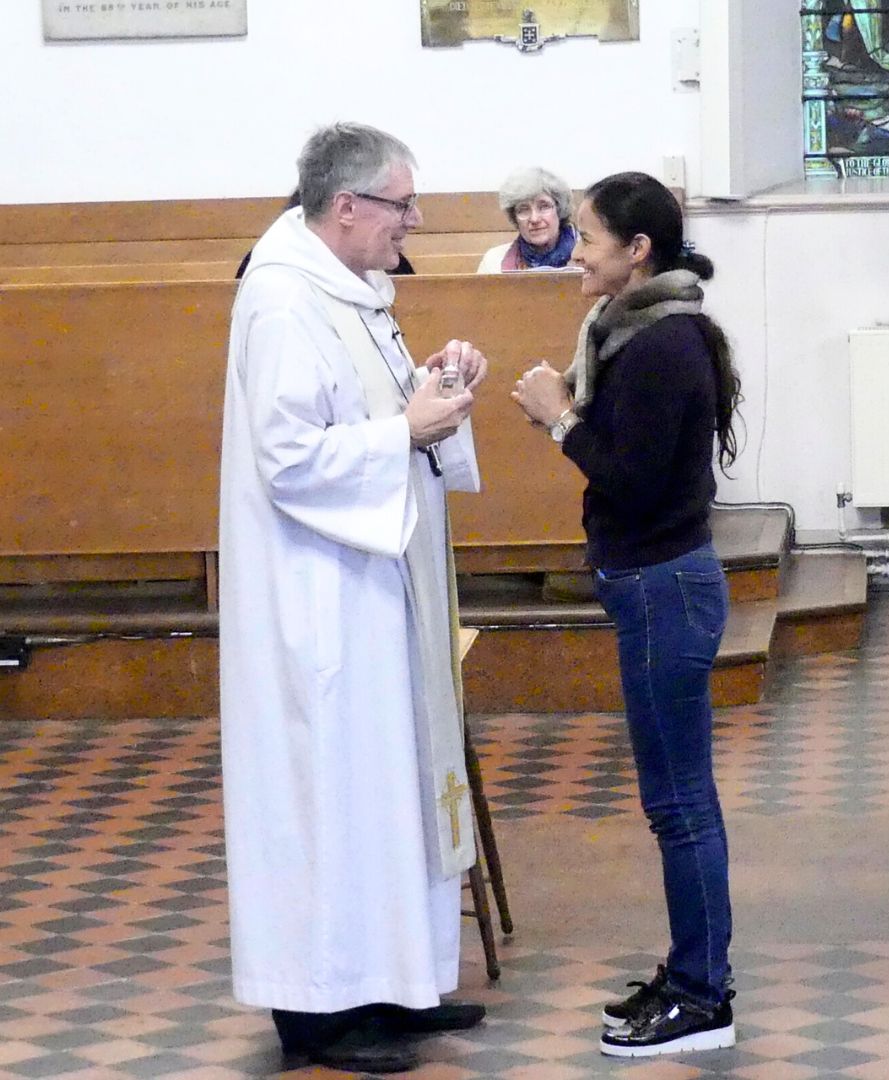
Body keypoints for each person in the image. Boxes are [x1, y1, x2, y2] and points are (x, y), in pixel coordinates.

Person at [219, 122, 490, 1074]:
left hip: (375, 589)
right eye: (402, 205)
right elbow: (288, 456)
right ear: (347, 207)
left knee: (386, 800)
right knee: (331, 806)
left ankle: (394, 985)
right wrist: (402, 431)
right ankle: (321, 1017)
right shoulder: (286, 301)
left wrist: (434, 392)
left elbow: (367, 417)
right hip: (319, 604)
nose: (411, 224)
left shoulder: (352, 290)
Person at [511, 171, 743, 1059]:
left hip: (663, 586)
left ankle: (703, 996)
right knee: (677, 802)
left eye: (589, 237)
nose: (575, 251)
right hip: (654, 585)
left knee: (680, 806)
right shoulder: (642, 333)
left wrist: (560, 420)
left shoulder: (662, 347)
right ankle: (692, 973)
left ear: (637, 251)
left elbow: (636, 482)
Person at [237, 190, 415, 277]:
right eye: (400, 205)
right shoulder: (274, 276)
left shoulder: (388, 261)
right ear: (346, 209)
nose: (416, 220)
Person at [477, 166, 578, 273]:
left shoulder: (587, 256)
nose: (534, 219)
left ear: (559, 209)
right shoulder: (493, 263)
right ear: (514, 218)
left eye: (544, 207)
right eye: (523, 210)